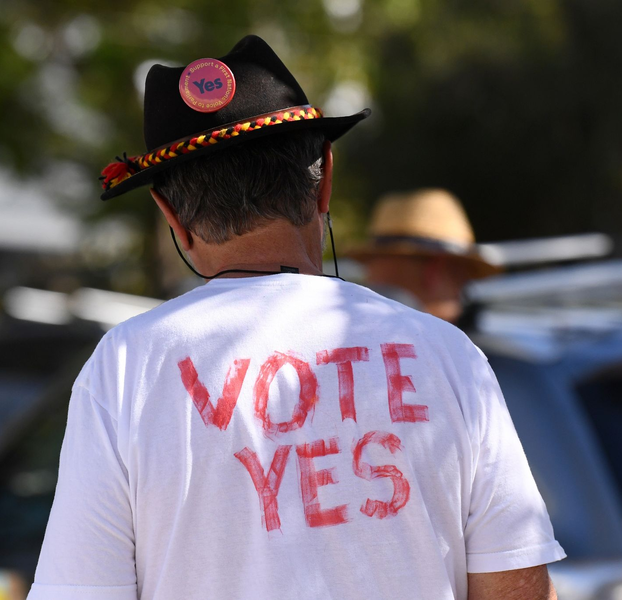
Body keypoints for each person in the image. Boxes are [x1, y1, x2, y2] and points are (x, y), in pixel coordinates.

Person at [29, 35, 565, 600]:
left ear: (171, 216)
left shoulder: (124, 370)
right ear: (324, 178)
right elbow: (517, 588)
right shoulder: (449, 356)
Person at [349, 189, 501, 323]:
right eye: (461, 277)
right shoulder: (464, 351)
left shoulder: (335, 329)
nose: (461, 295)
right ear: (434, 270)